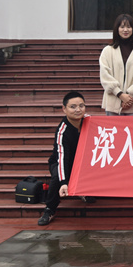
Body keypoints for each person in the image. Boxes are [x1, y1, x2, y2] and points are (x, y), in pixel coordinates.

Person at [38, 91, 93, 226]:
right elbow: (62, 158)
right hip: (61, 162)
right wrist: (64, 182)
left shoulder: (90, 121)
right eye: (73, 107)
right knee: (57, 176)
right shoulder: (62, 131)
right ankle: (50, 209)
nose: (78, 110)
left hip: (81, 161)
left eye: (81, 106)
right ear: (64, 109)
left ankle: (82, 190)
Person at [99, 14, 133, 115]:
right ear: (117, 29)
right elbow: (105, 74)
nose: (125, 30)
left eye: (129, 27)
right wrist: (120, 94)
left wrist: (130, 97)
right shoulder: (107, 51)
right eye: (122, 27)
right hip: (113, 101)